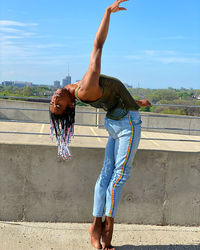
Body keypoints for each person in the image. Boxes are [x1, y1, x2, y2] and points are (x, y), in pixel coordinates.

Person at [49, 0, 151, 249]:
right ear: (71, 106)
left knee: (106, 176)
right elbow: (97, 47)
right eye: (58, 106)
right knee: (119, 177)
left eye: (52, 102)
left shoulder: (78, 92)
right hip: (126, 124)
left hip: (116, 121)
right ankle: (107, 230)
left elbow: (111, 97)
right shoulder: (84, 89)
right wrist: (107, 13)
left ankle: (94, 225)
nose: (54, 99)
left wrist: (137, 101)